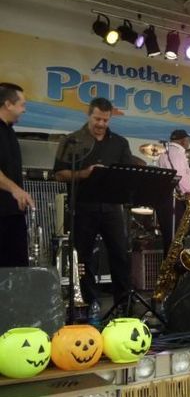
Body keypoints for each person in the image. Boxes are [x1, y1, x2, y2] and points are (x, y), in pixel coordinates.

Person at [54, 97, 133, 309]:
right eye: (97, 119)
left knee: (120, 255)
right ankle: (89, 305)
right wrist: (85, 173)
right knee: (83, 258)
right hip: (83, 206)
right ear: (89, 115)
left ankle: (123, 305)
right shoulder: (71, 141)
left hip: (112, 207)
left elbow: (127, 174)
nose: (101, 124)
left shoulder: (120, 143)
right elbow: (59, 174)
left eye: (105, 120)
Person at [0, 83, 35, 267]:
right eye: (22, 105)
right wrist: (15, 189)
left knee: (17, 269)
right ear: (8, 104)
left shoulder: (10, 131)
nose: (24, 110)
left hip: (13, 213)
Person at [156, 129, 190, 258]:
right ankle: (175, 266)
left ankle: (169, 265)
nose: (188, 143)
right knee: (176, 237)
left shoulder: (164, 153)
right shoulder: (178, 152)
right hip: (174, 198)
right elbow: (180, 176)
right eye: (188, 140)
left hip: (164, 198)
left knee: (169, 237)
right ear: (183, 141)